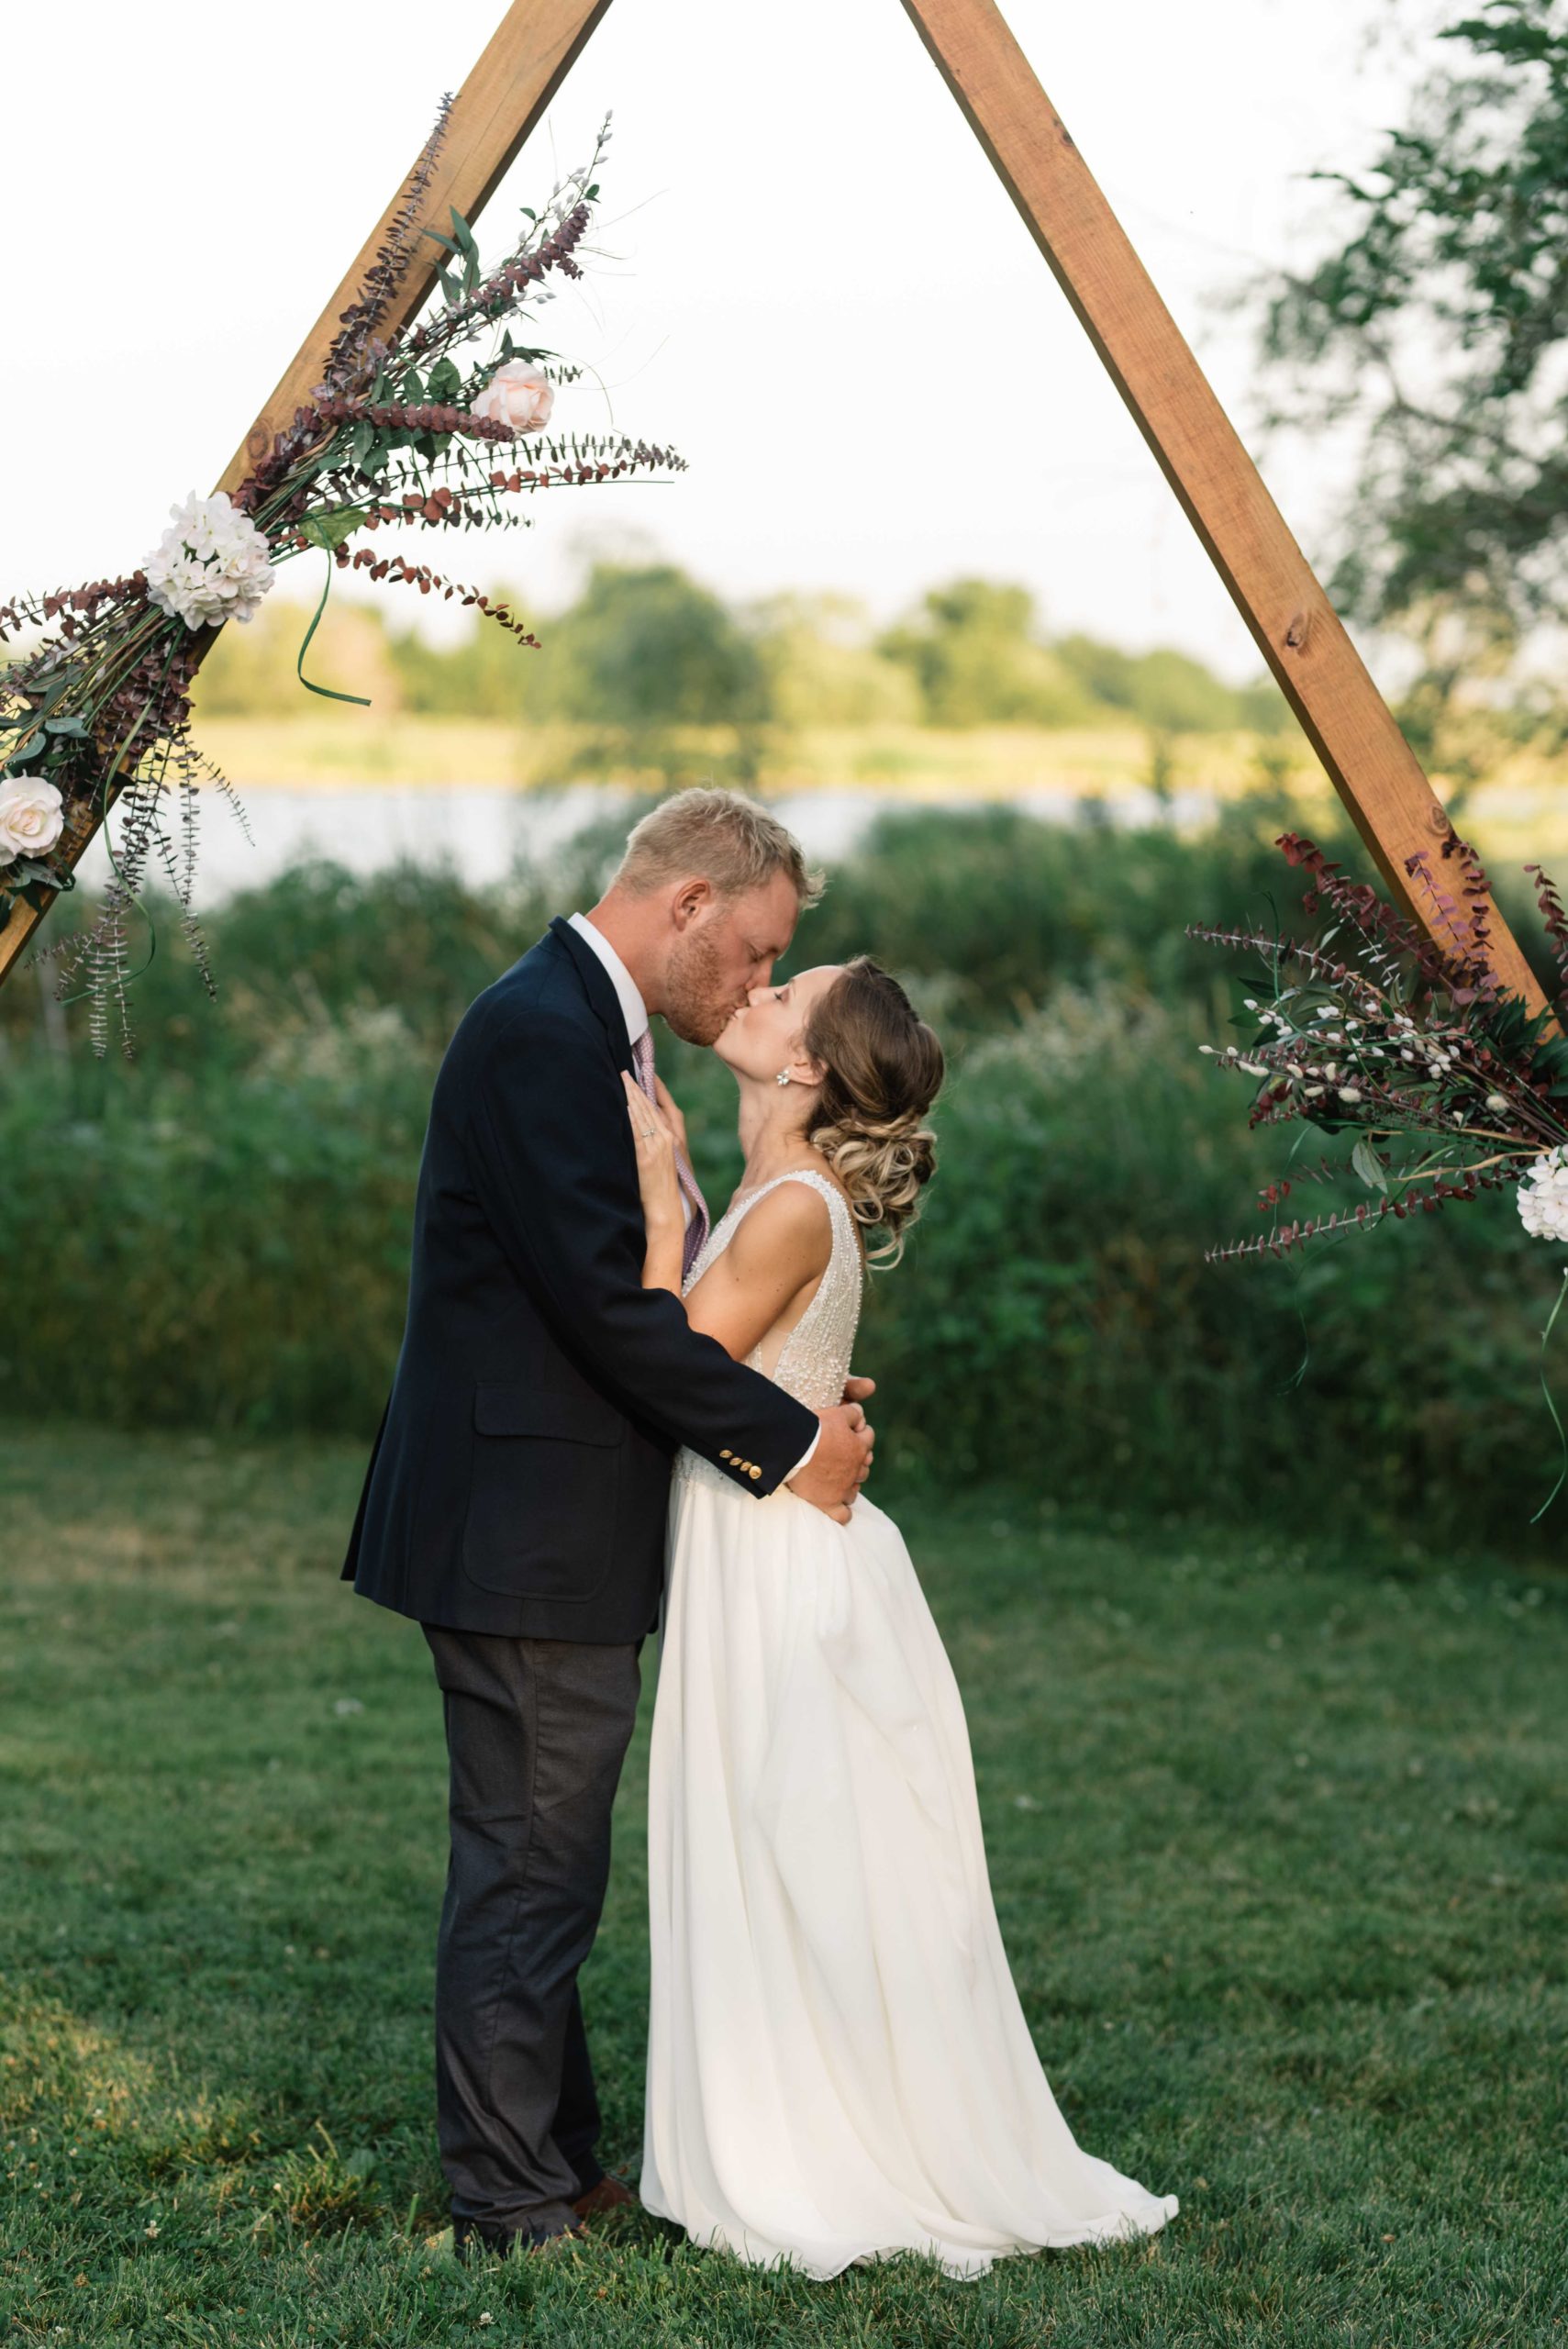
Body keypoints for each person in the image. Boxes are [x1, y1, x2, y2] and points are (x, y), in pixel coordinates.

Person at [339, 790, 876, 2257]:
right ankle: (507, 2198)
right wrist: (786, 1446)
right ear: (689, 902)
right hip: (522, 1526)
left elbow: (648, 1297)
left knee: (542, 1858)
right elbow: (597, 1309)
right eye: (756, 952)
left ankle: (555, 2157)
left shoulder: (583, 1022)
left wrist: (775, 1382)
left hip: (545, 1516)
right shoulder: (539, 1034)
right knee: (528, 1865)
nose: (758, 987)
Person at [627, 955, 1181, 2280]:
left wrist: (657, 1211)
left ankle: (827, 2146)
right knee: (787, 1856)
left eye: (778, 997)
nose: (747, 996)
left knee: (803, 1862)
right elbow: (751, 1368)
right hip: (767, 1541)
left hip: (778, 1567)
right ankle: (787, 2117)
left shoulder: (784, 1208)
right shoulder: (782, 1191)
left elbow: (662, 1371)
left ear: (805, 1066)